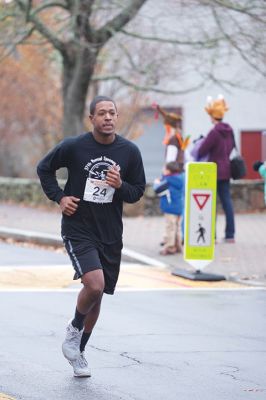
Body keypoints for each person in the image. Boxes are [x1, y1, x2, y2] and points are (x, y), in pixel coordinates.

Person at [37, 95, 146, 377]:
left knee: (97, 298)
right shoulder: (74, 147)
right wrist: (60, 198)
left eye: (112, 113)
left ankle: (79, 352)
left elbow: (137, 192)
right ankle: (74, 330)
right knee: (94, 285)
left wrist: (120, 185)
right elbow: (44, 168)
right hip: (78, 228)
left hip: (110, 233)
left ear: (117, 117)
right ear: (92, 119)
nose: (108, 117)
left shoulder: (129, 152)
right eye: (102, 113)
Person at [198, 95, 235, 243]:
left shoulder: (214, 132)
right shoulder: (229, 130)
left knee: (211, 204)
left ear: (213, 116)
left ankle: (211, 235)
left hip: (213, 171)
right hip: (227, 170)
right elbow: (232, 147)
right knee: (227, 203)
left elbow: (202, 150)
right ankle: (230, 235)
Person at [154, 161, 185, 255]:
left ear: (169, 171)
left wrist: (156, 182)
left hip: (170, 208)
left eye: (165, 168)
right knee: (177, 227)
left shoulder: (167, 180)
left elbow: (157, 189)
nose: (163, 170)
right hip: (179, 207)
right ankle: (178, 245)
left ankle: (170, 247)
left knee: (170, 227)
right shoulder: (180, 178)